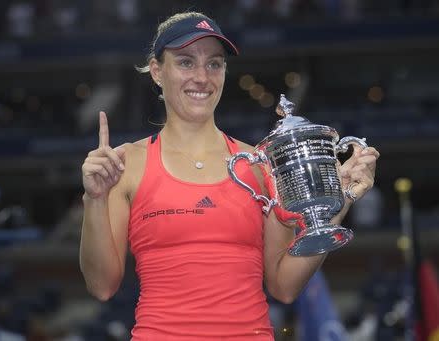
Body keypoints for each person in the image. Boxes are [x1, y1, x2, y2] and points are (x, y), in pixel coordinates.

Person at [79, 11, 380, 340]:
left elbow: (284, 286)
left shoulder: (259, 163)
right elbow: (102, 286)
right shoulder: (127, 164)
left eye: (214, 63)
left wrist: (341, 200)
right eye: (185, 62)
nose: (202, 77)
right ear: (156, 71)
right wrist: (94, 199)